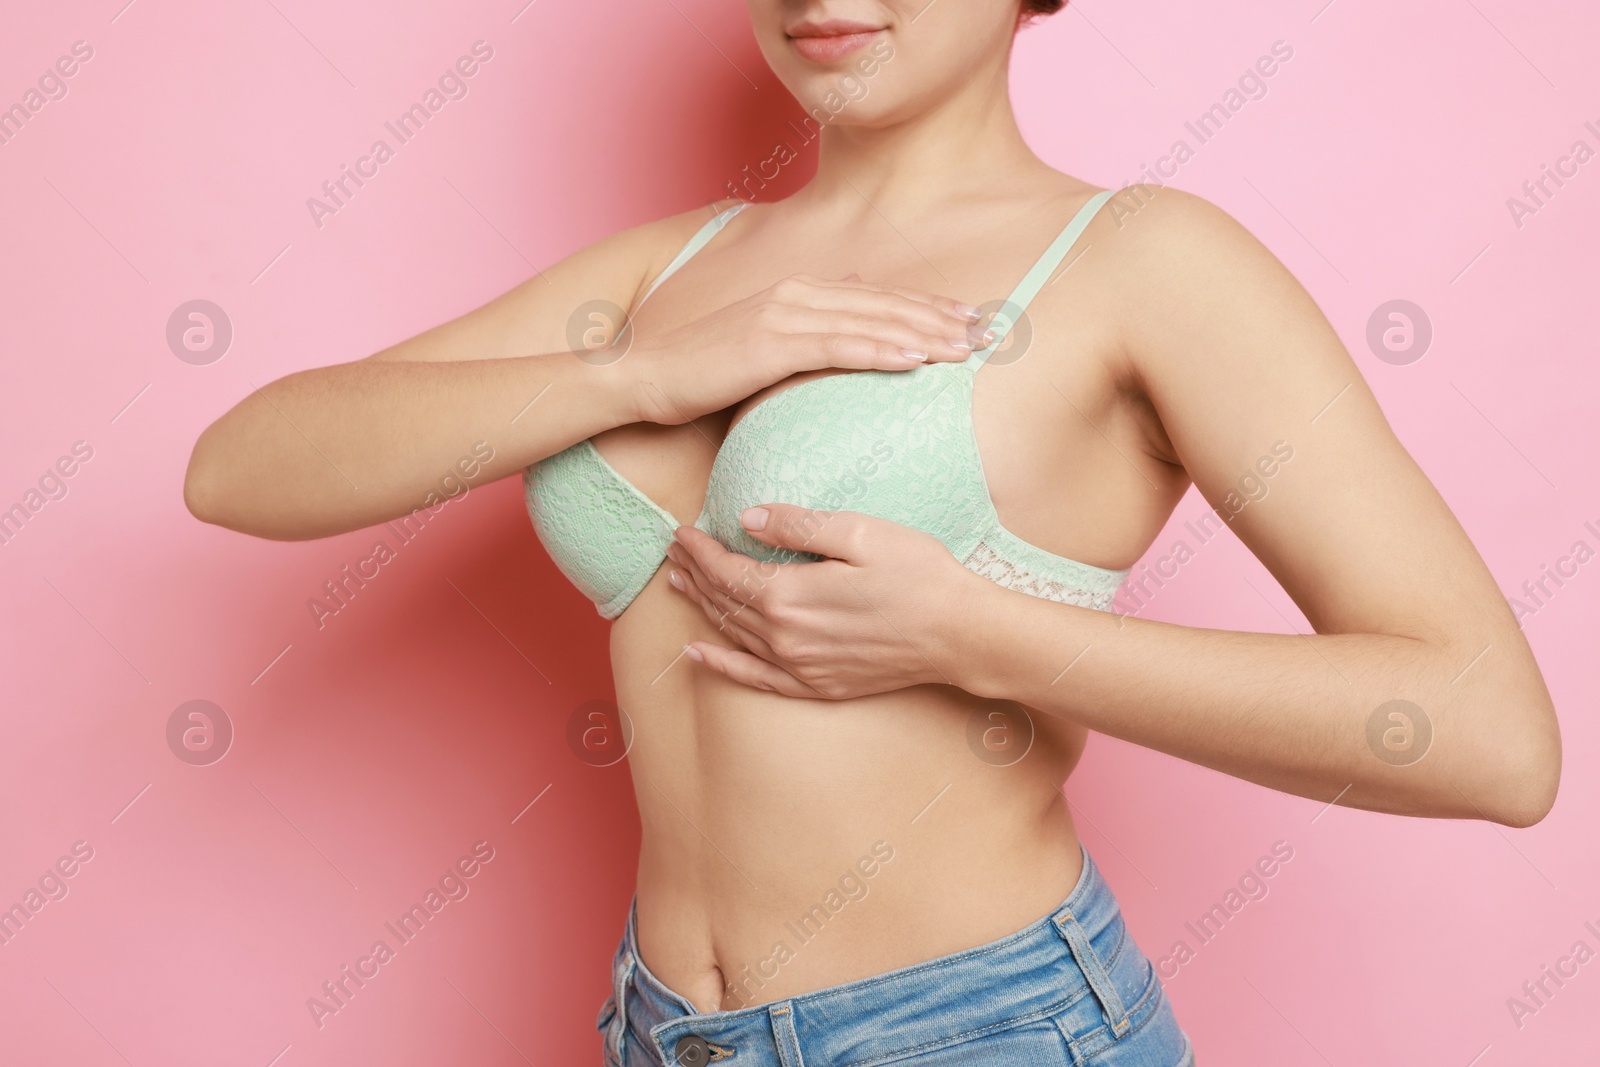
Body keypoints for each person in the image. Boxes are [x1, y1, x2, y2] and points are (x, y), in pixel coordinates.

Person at [184, 2, 1560, 1063]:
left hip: (982, 1028)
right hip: (663, 1026)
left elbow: (1486, 734)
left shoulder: (1143, 261)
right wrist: (638, 375)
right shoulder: (672, 271)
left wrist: (977, 631)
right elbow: (243, 467)